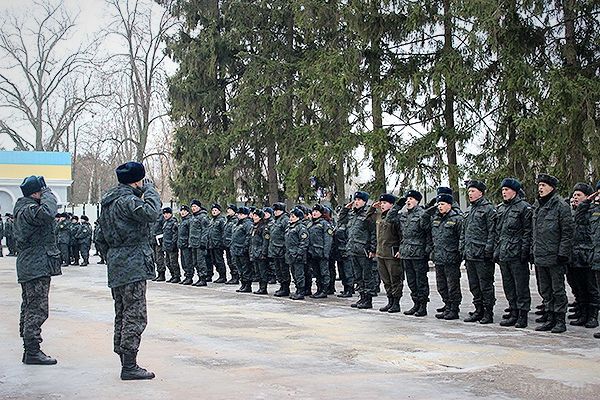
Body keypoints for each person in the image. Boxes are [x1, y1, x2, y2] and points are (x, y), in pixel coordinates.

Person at [96, 161, 161, 380]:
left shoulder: (108, 202)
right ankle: (130, 366)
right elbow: (152, 213)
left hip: (116, 261)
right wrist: (151, 191)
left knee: (122, 312)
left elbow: (100, 237)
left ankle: (124, 359)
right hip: (132, 262)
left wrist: (112, 256)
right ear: (136, 180)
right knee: (135, 314)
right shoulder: (128, 201)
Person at [14, 175, 60, 365]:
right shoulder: (29, 210)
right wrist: (48, 192)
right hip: (35, 265)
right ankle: (32, 350)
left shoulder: (25, 208)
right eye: (42, 192)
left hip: (33, 263)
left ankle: (29, 349)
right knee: (36, 308)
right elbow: (49, 212)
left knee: (30, 306)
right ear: (35, 193)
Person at [531, 174, 574, 333]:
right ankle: (549, 318)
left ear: (552, 187)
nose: (540, 188)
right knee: (545, 290)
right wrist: (532, 251)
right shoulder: (538, 206)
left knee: (557, 290)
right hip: (540, 255)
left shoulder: (561, 206)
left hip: (555, 256)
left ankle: (560, 320)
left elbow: (567, 232)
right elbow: (534, 232)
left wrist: (563, 253)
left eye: (543, 185)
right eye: (539, 185)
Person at [493, 178, 532, 328]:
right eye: (502, 190)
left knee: (521, 286)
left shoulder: (524, 208)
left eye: (507, 190)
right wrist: (497, 250)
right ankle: (513, 311)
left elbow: (528, 232)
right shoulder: (501, 208)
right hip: (504, 253)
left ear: (514, 191)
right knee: (508, 285)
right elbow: (498, 232)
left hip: (517, 253)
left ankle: (523, 314)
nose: (504, 192)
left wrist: (524, 251)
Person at [460, 180, 497, 324]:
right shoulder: (469, 210)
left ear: (481, 193)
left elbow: (492, 232)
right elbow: (464, 232)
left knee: (485, 285)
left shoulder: (488, 209)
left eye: (473, 191)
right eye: (469, 191)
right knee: (474, 285)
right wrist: (462, 248)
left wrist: (488, 250)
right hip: (470, 254)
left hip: (482, 255)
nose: (470, 194)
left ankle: (488, 312)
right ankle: (478, 309)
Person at [426, 193, 463, 320]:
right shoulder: (436, 219)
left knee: (452, 285)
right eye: (438, 204)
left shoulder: (457, 219)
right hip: (439, 258)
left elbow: (461, 238)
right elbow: (430, 235)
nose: (439, 206)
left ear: (450, 205)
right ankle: (447, 306)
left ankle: (454, 309)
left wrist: (460, 254)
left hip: (451, 258)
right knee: (441, 285)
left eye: (442, 204)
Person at [567, 183, 599, 329]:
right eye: (574, 195)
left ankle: (592, 316)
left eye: (578, 195)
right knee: (579, 287)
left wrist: (587, 202)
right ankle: (583, 313)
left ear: (588, 197)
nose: (575, 197)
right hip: (575, 256)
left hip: (589, 256)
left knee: (591, 288)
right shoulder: (576, 211)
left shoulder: (593, 211)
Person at [339, 191, 377, 309]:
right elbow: (341, 220)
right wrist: (345, 209)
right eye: (355, 200)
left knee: (367, 276)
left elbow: (373, 232)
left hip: (364, 250)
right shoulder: (352, 214)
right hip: (353, 249)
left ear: (365, 202)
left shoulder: (368, 214)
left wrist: (372, 248)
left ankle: (368, 299)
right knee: (358, 276)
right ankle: (362, 297)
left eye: (359, 200)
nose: (356, 202)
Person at [369, 193, 404, 314]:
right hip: (381, 253)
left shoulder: (396, 218)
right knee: (386, 280)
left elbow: (401, 235)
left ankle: (396, 302)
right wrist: (373, 207)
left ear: (392, 205)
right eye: (381, 203)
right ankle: (390, 300)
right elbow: (367, 219)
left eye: (385, 203)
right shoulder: (379, 217)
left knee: (395, 279)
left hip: (392, 254)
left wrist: (400, 249)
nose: (382, 205)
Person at [398, 190, 430, 317]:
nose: (408, 201)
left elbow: (428, 233)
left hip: (419, 253)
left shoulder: (422, 214)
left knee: (420, 281)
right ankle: (415, 303)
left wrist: (427, 250)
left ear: (417, 201)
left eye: (411, 199)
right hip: (406, 252)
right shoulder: (404, 215)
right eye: (407, 199)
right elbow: (390, 218)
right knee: (411, 281)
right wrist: (398, 205)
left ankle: (423, 306)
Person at [579, 183, 600, 338]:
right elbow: (579, 216)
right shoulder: (594, 210)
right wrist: (588, 200)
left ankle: (593, 316)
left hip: (592, 255)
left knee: (593, 290)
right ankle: (587, 314)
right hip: (595, 257)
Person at [306, 204, 333, 299]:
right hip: (312, 252)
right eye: (313, 211)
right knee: (316, 272)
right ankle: (319, 289)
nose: (314, 213)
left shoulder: (325, 224)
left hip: (321, 252)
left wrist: (326, 253)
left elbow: (328, 239)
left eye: (317, 211)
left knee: (324, 272)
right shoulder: (310, 224)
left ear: (321, 213)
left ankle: (324, 290)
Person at [285, 207, 309, 300]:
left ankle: (301, 291)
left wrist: (299, 253)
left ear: (298, 217)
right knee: (294, 273)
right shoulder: (290, 227)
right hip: (290, 254)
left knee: (299, 274)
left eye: (293, 216)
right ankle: (297, 290)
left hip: (297, 255)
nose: (291, 218)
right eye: (290, 216)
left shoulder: (301, 227)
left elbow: (304, 242)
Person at [269, 203, 290, 297]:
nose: (275, 212)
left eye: (277, 210)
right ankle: (282, 286)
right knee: (278, 270)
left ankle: (286, 288)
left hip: (282, 249)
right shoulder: (276, 220)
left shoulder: (285, 220)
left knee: (284, 269)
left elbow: (287, 235)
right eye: (274, 210)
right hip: (275, 249)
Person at [231, 207, 253, 293]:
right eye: (239, 214)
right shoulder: (237, 223)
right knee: (240, 268)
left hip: (242, 249)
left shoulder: (247, 223)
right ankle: (243, 283)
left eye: (241, 214)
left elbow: (249, 236)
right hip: (236, 249)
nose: (239, 216)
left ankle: (247, 285)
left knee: (245, 268)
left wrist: (245, 247)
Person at [189, 200, 209, 286]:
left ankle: (203, 278)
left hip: (200, 243)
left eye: (195, 206)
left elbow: (205, 230)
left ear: (199, 207)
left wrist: (203, 242)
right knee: (195, 262)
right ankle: (199, 277)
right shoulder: (193, 217)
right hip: (193, 243)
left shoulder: (203, 217)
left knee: (201, 261)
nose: (193, 208)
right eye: (192, 206)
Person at [207, 204, 227, 283]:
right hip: (212, 244)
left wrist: (222, 243)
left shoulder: (221, 220)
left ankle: (223, 276)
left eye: (215, 210)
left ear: (219, 211)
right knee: (214, 261)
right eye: (213, 210)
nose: (214, 212)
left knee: (219, 260)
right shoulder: (212, 220)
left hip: (218, 244)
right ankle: (220, 275)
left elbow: (223, 232)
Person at [162, 207, 181, 283]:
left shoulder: (173, 222)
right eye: (164, 214)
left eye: (167, 213)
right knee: (168, 262)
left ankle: (177, 276)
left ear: (171, 214)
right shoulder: (166, 222)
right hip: (166, 245)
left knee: (174, 262)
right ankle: (173, 275)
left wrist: (173, 244)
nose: (165, 215)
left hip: (172, 246)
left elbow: (175, 234)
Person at [223, 204, 239, 284]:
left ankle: (236, 277)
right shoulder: (228, 220)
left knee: (233, 261)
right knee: (229, 261)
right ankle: (233, 276)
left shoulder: (235, 220)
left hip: (232, 244)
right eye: (228, 209)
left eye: (230, 209)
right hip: (227, 244)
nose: (228, 211)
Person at [178, 205, 194, 285]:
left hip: (187, 245)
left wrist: (189, 243)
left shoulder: (189, 221)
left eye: (184, 211)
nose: (182, 212)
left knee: (188, 262)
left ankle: (189, 277)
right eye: (181, 211)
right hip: (182, 245)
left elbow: (190, 233)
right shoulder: (182, 221)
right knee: (183, 262)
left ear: (188, 212)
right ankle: (186, 276)